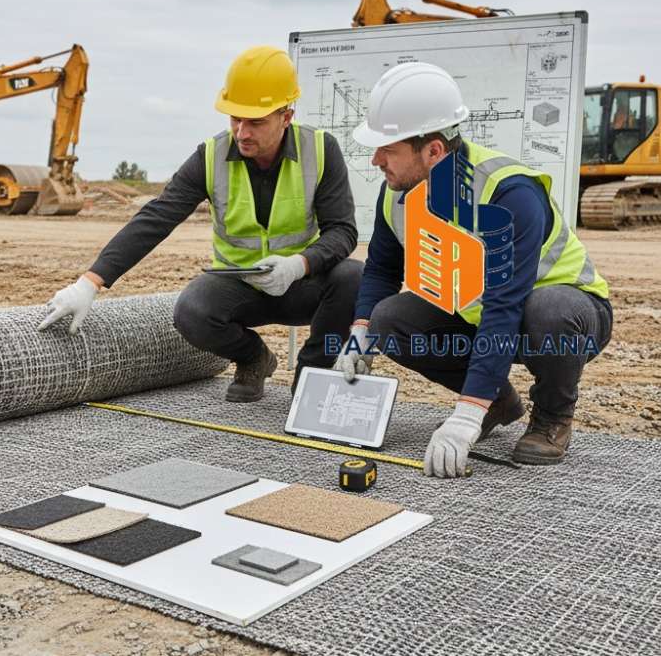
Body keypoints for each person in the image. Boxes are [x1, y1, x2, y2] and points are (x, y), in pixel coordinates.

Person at [39, 45, 363, 402]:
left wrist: (299, 265)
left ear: (286, 116)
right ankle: (254, 358)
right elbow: (157, 217)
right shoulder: (210, 156)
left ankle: (311, 377)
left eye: (255, 121)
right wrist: (90, 282)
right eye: (234, 119)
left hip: (301, 284)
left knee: (352, 277)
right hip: (240, 286)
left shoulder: (319, 150)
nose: (242, 132)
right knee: (191, 311)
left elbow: (342, 231)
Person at [334, 62, 612, 477]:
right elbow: (381, 269)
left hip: (566, 314)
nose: (375, 160)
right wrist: (359, 331)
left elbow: (505, 305)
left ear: (433, 150)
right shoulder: (398, 194)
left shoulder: (508, 193)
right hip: (480, 316)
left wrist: (466, 413)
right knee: (387, 319)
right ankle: (499, 403)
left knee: (548, 310)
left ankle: (553, 417)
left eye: (387, 148)